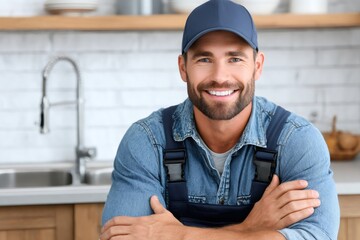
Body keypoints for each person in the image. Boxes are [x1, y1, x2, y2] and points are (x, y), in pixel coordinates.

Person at [100, 0, 340, 239]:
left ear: (257, 66)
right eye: (204, 59)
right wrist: (250, 229)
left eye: (235, 59)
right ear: (183, 68)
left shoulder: (297, 140)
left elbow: (318, 235)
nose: (220, 76)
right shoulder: (146, 142)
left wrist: (180, 235)